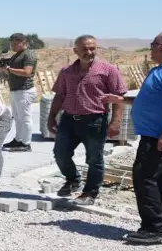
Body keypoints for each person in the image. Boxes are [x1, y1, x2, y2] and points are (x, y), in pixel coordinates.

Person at [102, 32, 162, 244]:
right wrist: (122, 100)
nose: (150, 49)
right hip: (156, 135)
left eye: (153, 45)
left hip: (160, 136)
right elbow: (153, 100)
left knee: (145, 178)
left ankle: (153, 228)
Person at [48, 35, 127, 205]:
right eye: (84, 49)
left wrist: (115, 122)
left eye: (92, 48)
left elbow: (118, 98)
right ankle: (73, 180)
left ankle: (90, 193)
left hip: (94, 121)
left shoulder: (108, 70)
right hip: (68, 120)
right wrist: (51, 117)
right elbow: (60, 95)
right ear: (76, 50)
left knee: (94, 158)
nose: (89, 52)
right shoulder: (66, 71)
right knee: (60, 153)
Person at [0, 33, 38, 152]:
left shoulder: (29, 54)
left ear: (23, 43)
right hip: (16, 90)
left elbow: (27, 72)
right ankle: (18, 139)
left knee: (25, 118)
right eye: (11, 44)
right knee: (17, 118)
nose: (13, 46)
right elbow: (12, 72)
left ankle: (26, 143)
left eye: (15, 44)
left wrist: (8, 69)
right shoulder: (17, 55)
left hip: (24, 90)